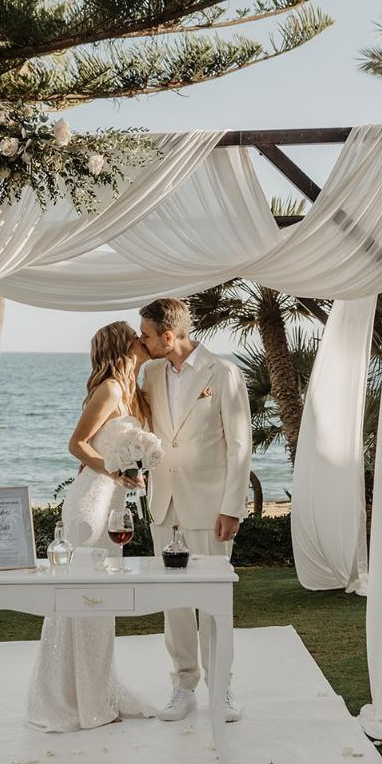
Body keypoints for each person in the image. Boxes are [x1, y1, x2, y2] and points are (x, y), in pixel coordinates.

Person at [26, 321, 156, 732]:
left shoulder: (133, 391)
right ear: (122, 345)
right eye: (135, 335)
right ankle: (76, 699)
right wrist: (114, 470)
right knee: (84, 603)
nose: (141, 339)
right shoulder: (111, 390)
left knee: (99, 604)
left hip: (111, 505)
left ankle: (94, 692)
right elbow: (76, 444)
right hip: (89, 506)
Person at [139, 298, 252, 723]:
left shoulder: (222, 373)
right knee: (174, 603)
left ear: (168, 336)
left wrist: (232, 507)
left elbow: (239, 445)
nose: (142, 342)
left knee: (213, 601)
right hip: (164, 504)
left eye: (146, 335)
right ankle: (183, 685)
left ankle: (221, 686)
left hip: (210, 505)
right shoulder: (150, 373)